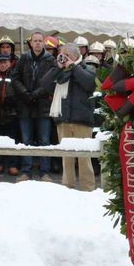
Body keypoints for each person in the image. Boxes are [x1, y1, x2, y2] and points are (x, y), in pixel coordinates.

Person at [41, 43, 96, 190]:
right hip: (63, 119)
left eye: (66, 55)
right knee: (66, 156)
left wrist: (73, 66)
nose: (63, 57)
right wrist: (58, 67)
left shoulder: (87, 68)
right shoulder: (59, 70)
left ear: (75, 56)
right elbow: (44, 83)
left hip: (82, 120)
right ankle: (67, 186)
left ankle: (88, 187)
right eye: (61, 54)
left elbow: (89, 84)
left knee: (84, 156)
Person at [12, 31, 57, 182]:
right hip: (25, 104)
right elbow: (15, 77)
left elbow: (52, 80)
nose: (37, 43)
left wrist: (37, 93)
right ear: (30, 43)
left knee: (45, 140)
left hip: (43, 105)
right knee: (26, 140)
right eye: (35, 41)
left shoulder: (50, 60)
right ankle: (26, 171)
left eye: (40, 41)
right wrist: (25, 93)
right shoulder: (24, 58)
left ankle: (45, 172)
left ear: (44, 43)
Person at [0, 54, 20, 176]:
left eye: (5, 62)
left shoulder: (14, 76)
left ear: (9, 63)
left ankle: (12, 164)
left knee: (12, 140)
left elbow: (18, 93)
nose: (2, 64)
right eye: (0, 62)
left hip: (11, 113)